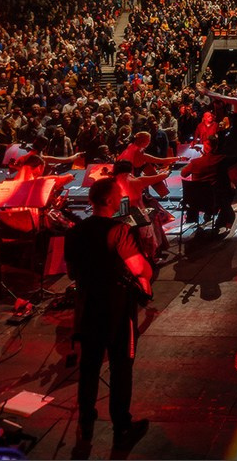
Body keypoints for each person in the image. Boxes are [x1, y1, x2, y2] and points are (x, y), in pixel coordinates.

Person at [65, 177, 152, 452]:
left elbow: (72, 273)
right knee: (121, 367)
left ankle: (86, 424)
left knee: (89, 367)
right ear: (112, 200)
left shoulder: (75, 231)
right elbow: (141, 270)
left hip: (87, 305)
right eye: (118, 194)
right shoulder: (118, 230)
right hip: (116, 306)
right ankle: (121, 426)